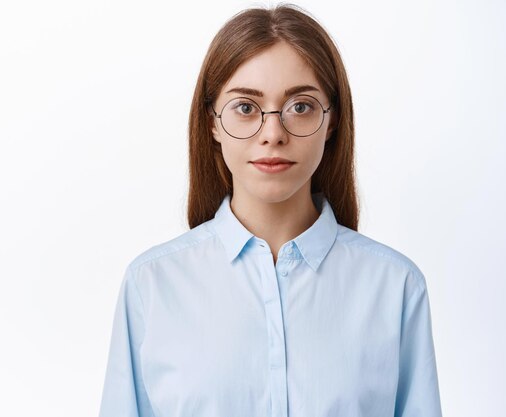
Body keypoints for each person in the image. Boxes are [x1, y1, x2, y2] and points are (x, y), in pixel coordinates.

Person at [98, 4, 442, 417]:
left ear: (331, 121)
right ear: (212, 122)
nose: (273, 134)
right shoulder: (151, 285)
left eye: (301, 106)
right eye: (246, 107)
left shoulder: (395, 287)